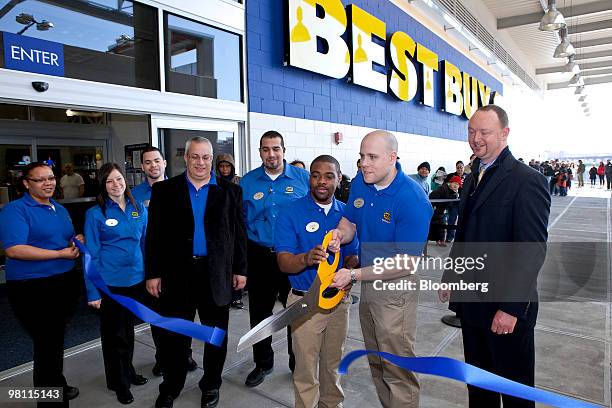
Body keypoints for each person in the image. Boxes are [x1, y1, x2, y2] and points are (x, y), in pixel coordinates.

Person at [439, 105, 550, 408]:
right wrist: (451, 276)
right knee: (480, 389)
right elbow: (465, 235)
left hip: (505, 309)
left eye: (484, 132)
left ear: (505, 133)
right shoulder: (475, 174)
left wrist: (511, 308)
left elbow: (532, 250)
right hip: (472, 304)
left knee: (515, 394)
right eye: (471, 131)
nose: (475, 138)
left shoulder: (527, 181)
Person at [328, 130, 433, 408]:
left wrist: (354, 274)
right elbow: (349, 223)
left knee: (397, 367)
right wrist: (340, 235)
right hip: (369, 282)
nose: (364, 163)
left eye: (372, 157)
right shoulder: (362, 184)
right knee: (377, 359)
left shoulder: (412, 199)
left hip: (396, 289)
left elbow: (406, 262)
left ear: (392, 158)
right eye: (362, 156)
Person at [145, 137, 247, 408]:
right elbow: (154, 236)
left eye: (205, 157)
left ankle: (211, 384)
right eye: (195, 157)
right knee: (174, 337)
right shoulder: (165, 191)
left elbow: (239, 235)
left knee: (215, 336)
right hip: (177, 276)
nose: (200, 163)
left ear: (212, 159)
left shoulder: (231, 192)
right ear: (186, 158)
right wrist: (153, 273)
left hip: (216, 275)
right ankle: (171, 385)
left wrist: (240, 269)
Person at [275, 155, 359, 408]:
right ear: (309, 177)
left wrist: (349, 274)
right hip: (305, 301)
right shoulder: (290, 212)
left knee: (334, 366)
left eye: (328, 176)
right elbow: (283, 262)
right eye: (316, 175)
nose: (321, 181)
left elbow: (354, 254)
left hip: (338, 302)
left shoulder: (347, 214)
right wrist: (305, 258)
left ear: (339, 179)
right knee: (306, 370)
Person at [0, 162, 81, 407]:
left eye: (51, 178)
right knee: (47, 347)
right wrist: (59, 254)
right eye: (40, 179)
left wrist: (76, 240)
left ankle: (58, 385)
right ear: (26, 183)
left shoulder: (57, 207)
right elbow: (14, 249)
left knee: (53, 343)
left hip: (63, 282)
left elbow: (63, 237)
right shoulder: (15, 210)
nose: (49, 183)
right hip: (33, 288)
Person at [240, 131, 310, 386]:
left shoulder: (304, 179)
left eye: (276, 149)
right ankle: (262, 363)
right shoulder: (247, 183)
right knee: (260, 314)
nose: (271, 154)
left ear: (284, 150)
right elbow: (240, 223)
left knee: (296, 312)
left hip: (294, 257)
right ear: (259, 152)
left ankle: (297, 364)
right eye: (266, 149)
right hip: (259, 256)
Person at [83, 163, 148, 405]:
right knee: (114, 335)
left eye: (119, 179)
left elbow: (144, 245)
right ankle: (118, 381)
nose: (116, 184)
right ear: (103, 185)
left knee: (128, 330)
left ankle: (127, 371)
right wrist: (93, 291)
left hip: (135, 280)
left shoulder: (137, 208)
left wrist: (150, 275)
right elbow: (91, 254)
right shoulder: (95, 214)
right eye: (109, 181)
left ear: (126, 180)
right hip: (109, 283)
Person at [131, 147, 198, 377]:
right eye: (148, 162)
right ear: (142, 167)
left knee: (183, 314)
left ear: (165, 162)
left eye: (157, 161)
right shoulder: (133, 195)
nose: (153, 166)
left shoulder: (182, 188)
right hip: (151, 266)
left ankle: (185, 353)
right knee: (157, 315)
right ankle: (163, 357)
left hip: (180, 265)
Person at [215, 153, 244, 309]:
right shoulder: (214, 183)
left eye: (228, 166)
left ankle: (237, 296)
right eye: (222, 166)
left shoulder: (239, 182)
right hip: (221, 231)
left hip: (236, 227)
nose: (225, 169)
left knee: (236, 264)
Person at [429, 175, 461, 246]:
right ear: (450, 182)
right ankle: (437, 240)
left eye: (458, 184)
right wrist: (434, 206)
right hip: (435, 210)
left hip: (441, 211)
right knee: (434, 225)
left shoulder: (452, 191)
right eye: (455, 183)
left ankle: (441, 241)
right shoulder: (443, 188)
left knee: (441, 225)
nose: (456, 185)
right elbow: (432, 195)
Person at [444, 161, 466, 243]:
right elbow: (445, 185)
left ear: (464, 167)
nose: (460, 169)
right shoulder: (451, 175)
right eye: (458, 167)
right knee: (451, 220)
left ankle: (461, 238)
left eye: (461, 167)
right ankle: (449, 237)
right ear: (456, 168)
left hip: (463, 202)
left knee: (463, 220)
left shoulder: (468, 176)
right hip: (453, 202)